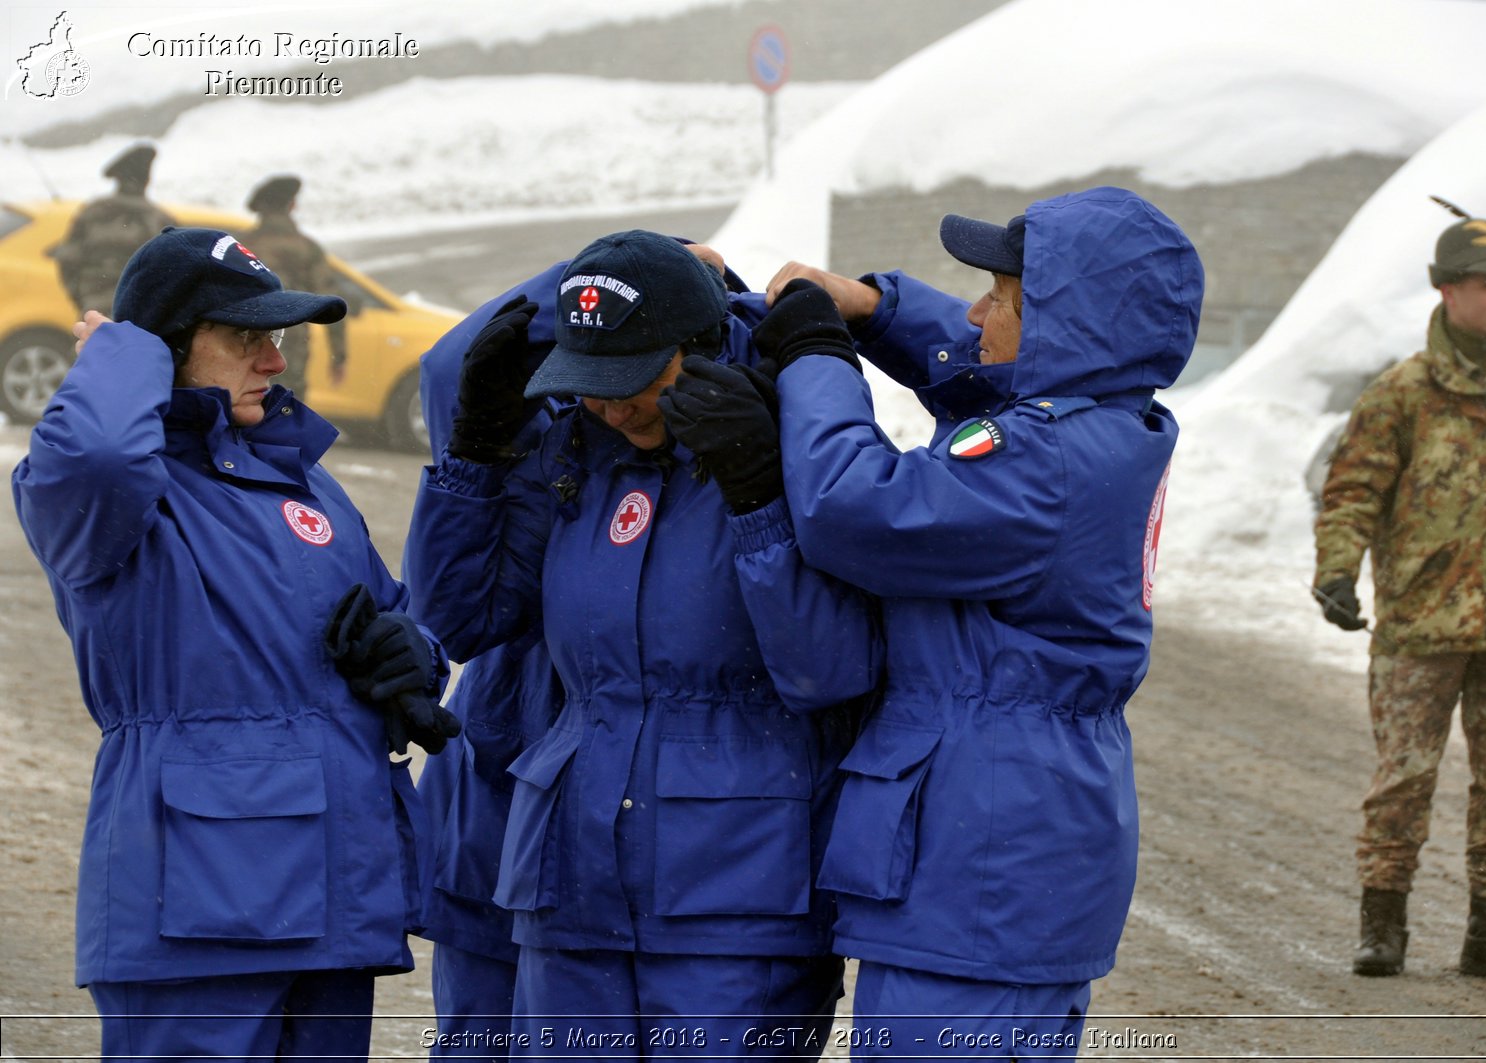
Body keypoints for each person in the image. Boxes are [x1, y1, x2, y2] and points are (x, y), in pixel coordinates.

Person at [403, 230, 880, 1057]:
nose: (613, 407)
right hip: (570, 892)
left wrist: (759, 496)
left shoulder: (795, 445)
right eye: (591, 386)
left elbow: (829, 668)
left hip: (737, 902)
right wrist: (475, 460)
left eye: (636, 382)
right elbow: (463, 619)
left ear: (698, 350)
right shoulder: (575, 458)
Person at [749, 186, 1200, 1053]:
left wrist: (814, 355)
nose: (975, 309)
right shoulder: (1104, 424)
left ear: (1070, 325)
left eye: (1003, 296)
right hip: (1010, 854)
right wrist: (876, 312)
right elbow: (993, 380)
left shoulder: (1043, 463)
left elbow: (848, 505)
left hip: (979, 873)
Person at [11, 225, 457, 1060]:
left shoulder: (303, 477)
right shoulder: (113, 496)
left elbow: (394, 613)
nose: (275, 362)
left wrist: (411, 653)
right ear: (168, 349)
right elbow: (101, 450)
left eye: (276, 337)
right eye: (246, 338)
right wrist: (123, 352)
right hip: (198, 910)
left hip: (331, 908)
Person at [1312, 210, 1486, 987]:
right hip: (1420, 624)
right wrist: (1336, 570)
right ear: (1446, 290)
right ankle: (1383, 925)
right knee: (1403, 777)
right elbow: (1352, 491)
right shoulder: (1402, 392)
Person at [407, 270, 566, 1062]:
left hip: (601, 821)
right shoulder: (534, 423)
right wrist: (597, 274)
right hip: (493, 800)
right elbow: (447, 366)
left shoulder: (719, 422)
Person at [245, 173, 350, 395]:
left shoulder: (242, 247)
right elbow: (331, 301)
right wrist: (338, 356)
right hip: (291, 352)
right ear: (292, 205)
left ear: (261, 208)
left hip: (244, 348)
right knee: (287, 413)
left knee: (246, 415)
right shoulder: (306, 248)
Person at [50, 142, 176, 315]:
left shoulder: (93, 213)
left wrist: (83, 299)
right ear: (147, 180)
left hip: (95, 312)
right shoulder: (160, 220)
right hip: (142, 316)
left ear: (118, 178)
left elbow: (68, 260)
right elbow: (176, 273)